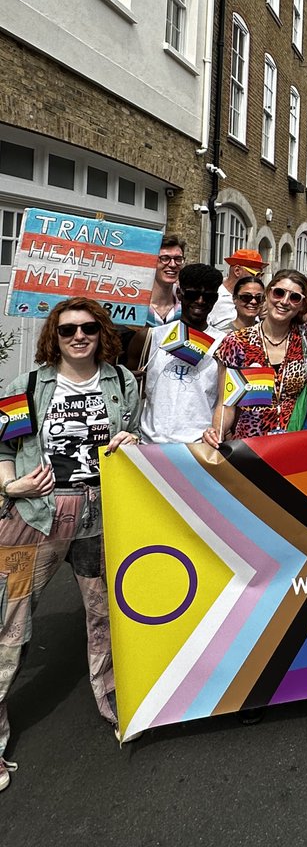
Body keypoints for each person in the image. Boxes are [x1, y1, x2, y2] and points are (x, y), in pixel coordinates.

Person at [0, 298, 141, 780]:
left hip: (100, 518)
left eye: (87, 328)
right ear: (53, 338)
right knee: (9, 627)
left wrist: (130, 442)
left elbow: (133, 432)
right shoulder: (28, 386)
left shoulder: (122, 383)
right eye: (67, 331)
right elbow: (2, 444)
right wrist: (9, 484)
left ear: (101, 332)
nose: (78, 337)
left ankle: (113, 704)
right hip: (34, 518)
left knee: (104, 619)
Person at [203, 270, 307, 442]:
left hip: (296, 443)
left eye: (294, 297)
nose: (284, 302)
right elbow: (226, 404)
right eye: (279, 293)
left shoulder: (305, 337)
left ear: (302, 304)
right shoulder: (237, 342)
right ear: (268, 294)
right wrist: (216, 433)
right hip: (251, 446)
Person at [137, 264, 226, 445]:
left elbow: (226, 401)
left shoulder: (225, 344)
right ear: (180, 294)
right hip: (149, 445)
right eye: (193, 294)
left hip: (198, 447)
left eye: (208, 296)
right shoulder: (150, 337)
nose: (200, 301)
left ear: (215, 299)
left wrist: (218, 431)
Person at [208, 248, 265, 331]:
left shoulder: (258, 299)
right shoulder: (214, 296)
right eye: (256, 274)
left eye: (261, 275)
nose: (258, 279)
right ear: (237, 271)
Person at [147, 234, 187, 326]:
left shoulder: (186, 307)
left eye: (178, 259)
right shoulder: (135, 307)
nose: (173, 265)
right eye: (164, 258)